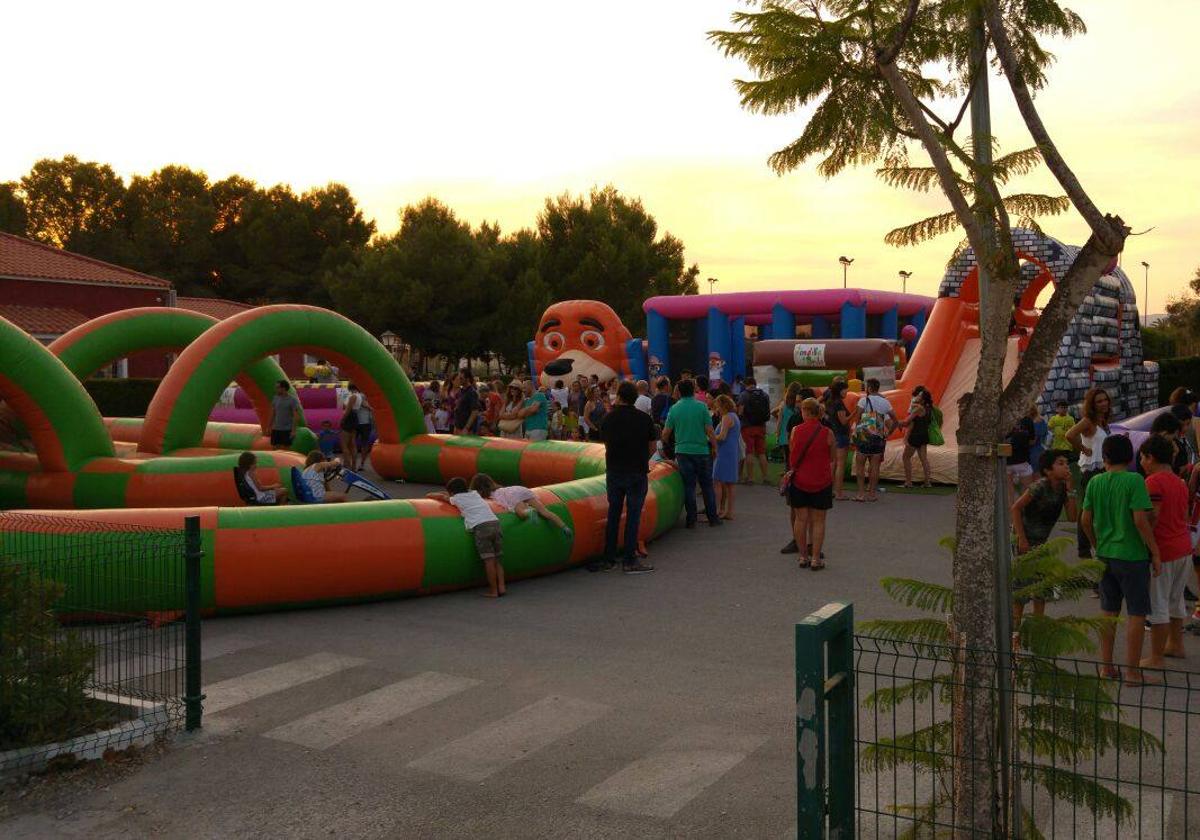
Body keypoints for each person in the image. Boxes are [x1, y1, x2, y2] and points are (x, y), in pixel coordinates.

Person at [1081, 434, 1159, 685]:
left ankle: (1106, 667)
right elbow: (1139, 519)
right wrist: (1154, 551)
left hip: (1105, 554)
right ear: (1130, 457)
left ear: (1104, 457)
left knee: (1108, 611)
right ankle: (1133, 672)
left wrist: (1096, 543)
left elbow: (1084, 519)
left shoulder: (1095, 482)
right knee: (1136, 612)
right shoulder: (1135, 480)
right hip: (1132, 556)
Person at [595, 381, 659, 573]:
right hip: (637, 472)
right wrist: (641, 460)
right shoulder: (644, 419)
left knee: (613, 513)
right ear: (635, 398)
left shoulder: (608, 419)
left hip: (615, 471)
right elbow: (653, 447)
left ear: (620, 397)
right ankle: (630, 559)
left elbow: (605, 444)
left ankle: (609, 557)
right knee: (633, 515)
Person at [1139, 435, 1191, 668]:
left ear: (1150, 457)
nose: (1141, 462)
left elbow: (1153, 515)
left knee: (1158, 603)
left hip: (1164, 549)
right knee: (1175, 599)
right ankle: (1176, 644)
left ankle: (1156, 657)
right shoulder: (1179, 481)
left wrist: (1147, 544)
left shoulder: (1153, 482)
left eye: (1142, 457)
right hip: (1183, 547)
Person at [1011, 451, 1078, 620]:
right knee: (1022, 585)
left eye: (1066, 463)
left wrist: (1071, 489)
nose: (1066, 467)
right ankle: (1015, 629)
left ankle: (1038, 623)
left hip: (1041, 541)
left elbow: (1072, 517)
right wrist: (1021, 538)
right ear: (1048, 470)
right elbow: (1016, 508)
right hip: (1025, 538)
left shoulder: (1063, 488)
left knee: (1042, 585)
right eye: (1060, 463)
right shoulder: (1039, 486)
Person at [427, 476, 506, 598]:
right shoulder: (474, 493)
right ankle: (502, 587)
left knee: (488, 560)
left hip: (481, 527)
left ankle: (494, 591)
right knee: (497, 559)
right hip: (495, 522)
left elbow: (438, 496)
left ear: (452, 492)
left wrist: (431, 495)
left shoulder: (456, 499)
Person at [663, 379, 721, 528]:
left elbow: (665, 433)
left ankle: (691, 519)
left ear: (680, 392)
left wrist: (669, 445)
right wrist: (715, 446)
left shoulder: (674, 408)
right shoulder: (702, 407)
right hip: (701, 450)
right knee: (707, 485)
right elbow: (709, 430)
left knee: (689, 486)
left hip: (682, 451)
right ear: (694, 390)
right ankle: (713, 518)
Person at [787, 398, 837, 570]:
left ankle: (802, 557)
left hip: (800, 480)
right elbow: (832, 458)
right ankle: (816, 558)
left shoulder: (795, 430)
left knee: (801, 519)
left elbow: (793, 452)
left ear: (806, 412)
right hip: (821, 481)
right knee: (819, 521)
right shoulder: (828, 433)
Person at [1067, 387, 1112, 560]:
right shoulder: (1089, 421)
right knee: (1088, 508)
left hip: (1103, 468)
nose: (1103, 403)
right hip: (1092, 469)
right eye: (1099, 401)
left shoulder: (1103, 420)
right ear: (1092, 404)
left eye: (1105, 400)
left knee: (1096, 508)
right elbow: (1070, 434)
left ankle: (1096, 542)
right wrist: (1083, 448)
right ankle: (1083, 548)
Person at [474, 475, 573, 538]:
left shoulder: (490, 494)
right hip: (520, 489)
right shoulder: (500, 489)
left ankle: (530, 511)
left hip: (512, 495)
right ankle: (564, 527)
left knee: (521, 513)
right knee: (544, 511)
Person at [850, 378, 896, 502]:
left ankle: (860, 494)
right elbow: (894, 420)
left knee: (860, 465)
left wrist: (857, 431)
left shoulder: (863, 400)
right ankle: (872, 494)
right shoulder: (885, 402)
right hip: (879, 436)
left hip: (865, 435)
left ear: (869, 388)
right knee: (875, 466)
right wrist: (888, 433)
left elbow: (858, 418)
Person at [737, 376, 772, 485]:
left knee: (749, 452)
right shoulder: (764, 395)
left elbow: (740, 412)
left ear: (746, 384)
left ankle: (751, 478)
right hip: (761, 426)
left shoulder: (743, 395)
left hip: (747, 427)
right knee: (761, 453)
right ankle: (765, 477)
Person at [712, 394, 742, 521]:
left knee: (717, 480)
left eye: (717, 406)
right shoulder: (734, 416)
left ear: (722, 405)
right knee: (730, 483)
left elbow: (722, 436)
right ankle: (729, 511)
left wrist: (710, 437)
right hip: (732, 451)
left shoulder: (726, 417)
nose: (716, 408)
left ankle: (718, 509)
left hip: (724, 452)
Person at [823, 380, 852, 502]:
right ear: (840, 390)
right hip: (841, 434)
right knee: (840, 464)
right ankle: (839, 492)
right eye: (845, 389)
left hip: (833, 433)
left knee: (833, 464)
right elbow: (844, 421)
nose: (847, 391)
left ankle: (830, 490)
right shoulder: (839, 403)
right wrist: (855, 413)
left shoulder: (829, 402)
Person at [901, 386, 933, 488]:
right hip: (924, 435)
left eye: (919, 396)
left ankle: (908, 482)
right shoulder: (929, 408)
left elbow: (907, 421)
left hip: (915, 435)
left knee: (906, 457)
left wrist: (896, 423)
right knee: (924, 459)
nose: (917, 397)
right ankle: (927, 482)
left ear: (922, 400)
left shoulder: (918, 408)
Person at [1004, 408, 1038, 507]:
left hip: (1007, 461)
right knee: (1027, 491)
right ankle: (1024, 516)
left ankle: (1012, 519)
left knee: (1009, 494)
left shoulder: (1004, 419)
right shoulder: (1027, 420)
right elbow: (1032, 441)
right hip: (1023, 460)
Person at [773, 383, 802, 468]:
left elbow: (779, 421)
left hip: (784, 435)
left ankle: (787, 474)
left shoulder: (783, 405)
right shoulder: (799, 406)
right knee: (796, 457)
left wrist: (777, 435)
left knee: (787, 458)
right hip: (796, 434)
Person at [339, 383, 366, 469]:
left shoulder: (353, 396)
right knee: (352, 443)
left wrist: (342, 420)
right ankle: (353, 465)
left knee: (344, 444)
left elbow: (348, 410)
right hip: (355, 418)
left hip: (349, 418)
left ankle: (347, 465)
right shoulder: (359, 396)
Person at [269, 380, 302, 448]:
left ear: (283, 388)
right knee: (275, 448)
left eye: (278, 387)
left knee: (285, 450)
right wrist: (269, 427)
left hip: (287, 429)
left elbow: (296, 416)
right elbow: (273, 413)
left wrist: (293, 431)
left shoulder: (292, 400)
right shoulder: (275, 398)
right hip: (276, 429)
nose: (276, 389)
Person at [453, 370, 480, 435]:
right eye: (459, 377)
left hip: (466, 429)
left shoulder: (471, 392)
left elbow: (475, 411)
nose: (459, 379)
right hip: (459, 427)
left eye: (461, 378)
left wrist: (466, 428)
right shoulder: (462, 391)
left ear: (467, 379)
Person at [1028, 405, 1049, 474]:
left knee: (1035, 475)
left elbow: (1032, 442)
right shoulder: (1042, 421)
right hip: (1040, 449)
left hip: (1034, 452)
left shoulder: (1037, 423)